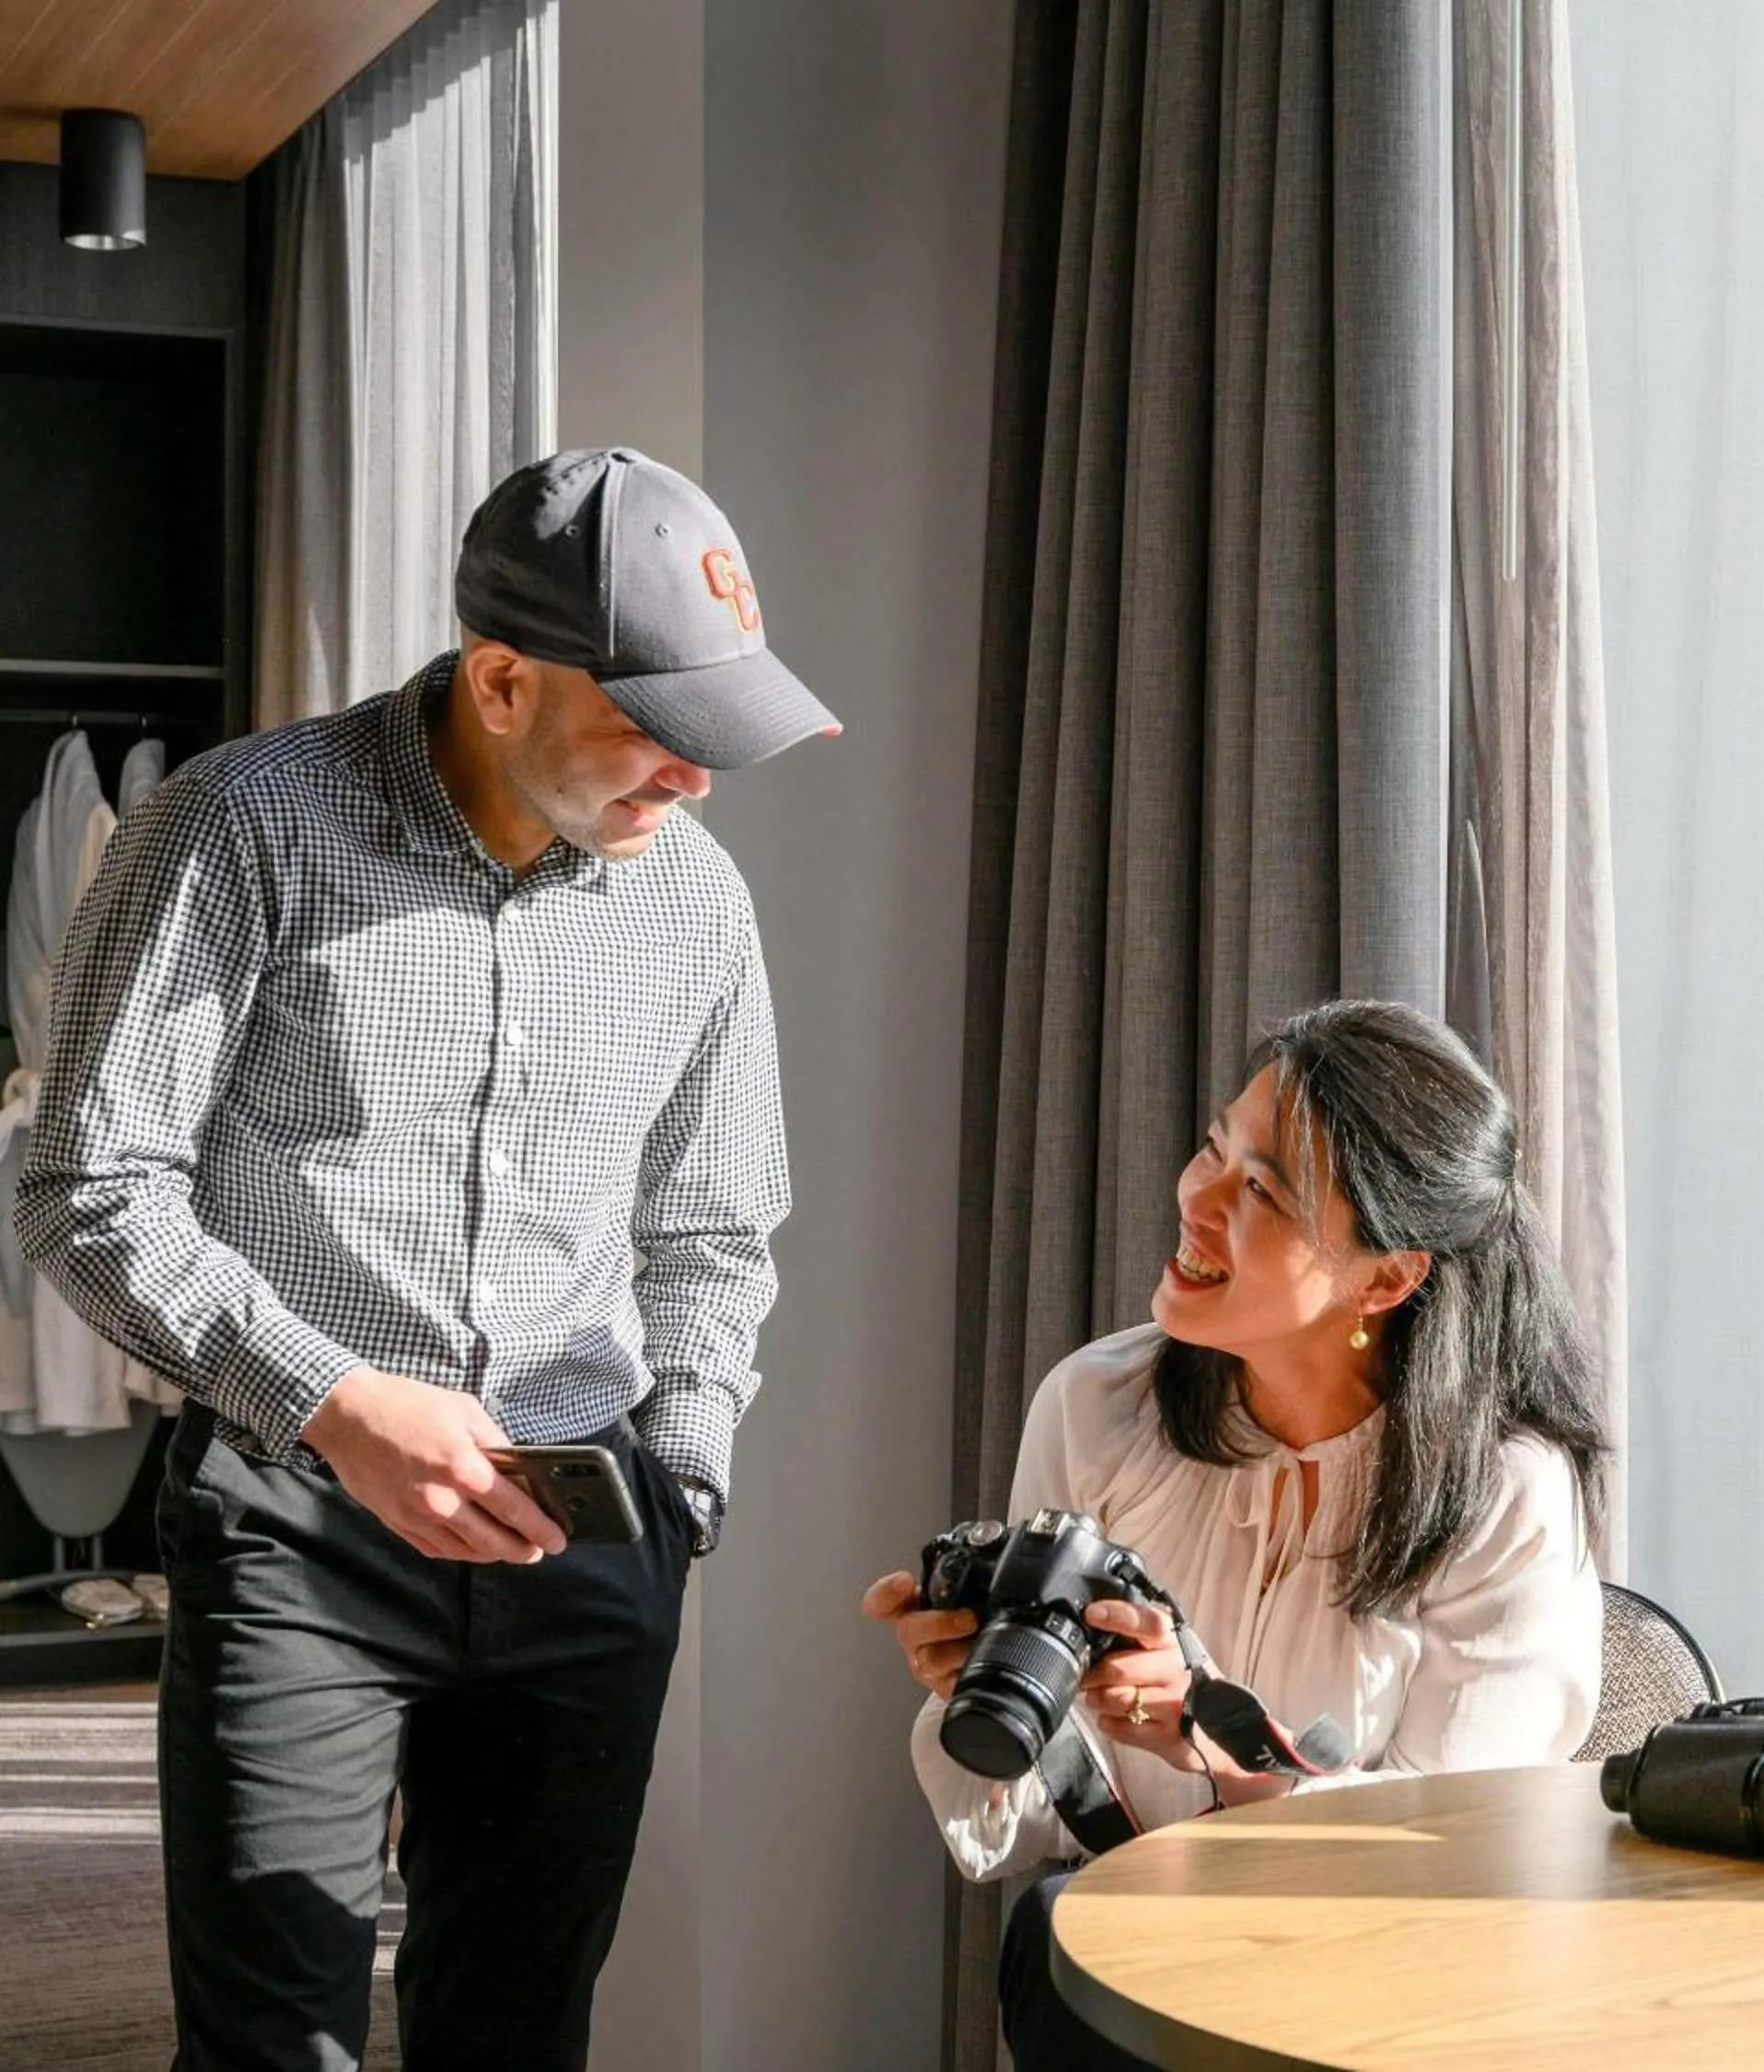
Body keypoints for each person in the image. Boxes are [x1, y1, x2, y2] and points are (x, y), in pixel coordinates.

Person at [16, 448, 838, 2072]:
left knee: (517, 2033)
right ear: (503, 677)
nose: (691, 785)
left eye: (716, 744)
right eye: (658, 736)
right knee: (272, 2047)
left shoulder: (697, 906)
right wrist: (332, 1403)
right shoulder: (234, 828)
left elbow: (715, 1229)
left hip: (585, 1529)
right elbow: (89, 1179)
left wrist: (676, 1486)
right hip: (295, 1520)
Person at [862, 998, 1607, 2067]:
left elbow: (1455, 1846)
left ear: (1387, 1278)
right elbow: (1025, 1834)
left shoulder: (1504, 1492)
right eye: (1215, 1147)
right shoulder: (1099, 1408)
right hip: (1159, 1966)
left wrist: (1209, 1734)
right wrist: (991, 1689)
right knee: (1062, 1928)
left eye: (1260, 1190)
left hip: (1405, 1994)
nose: (1197, 1200)